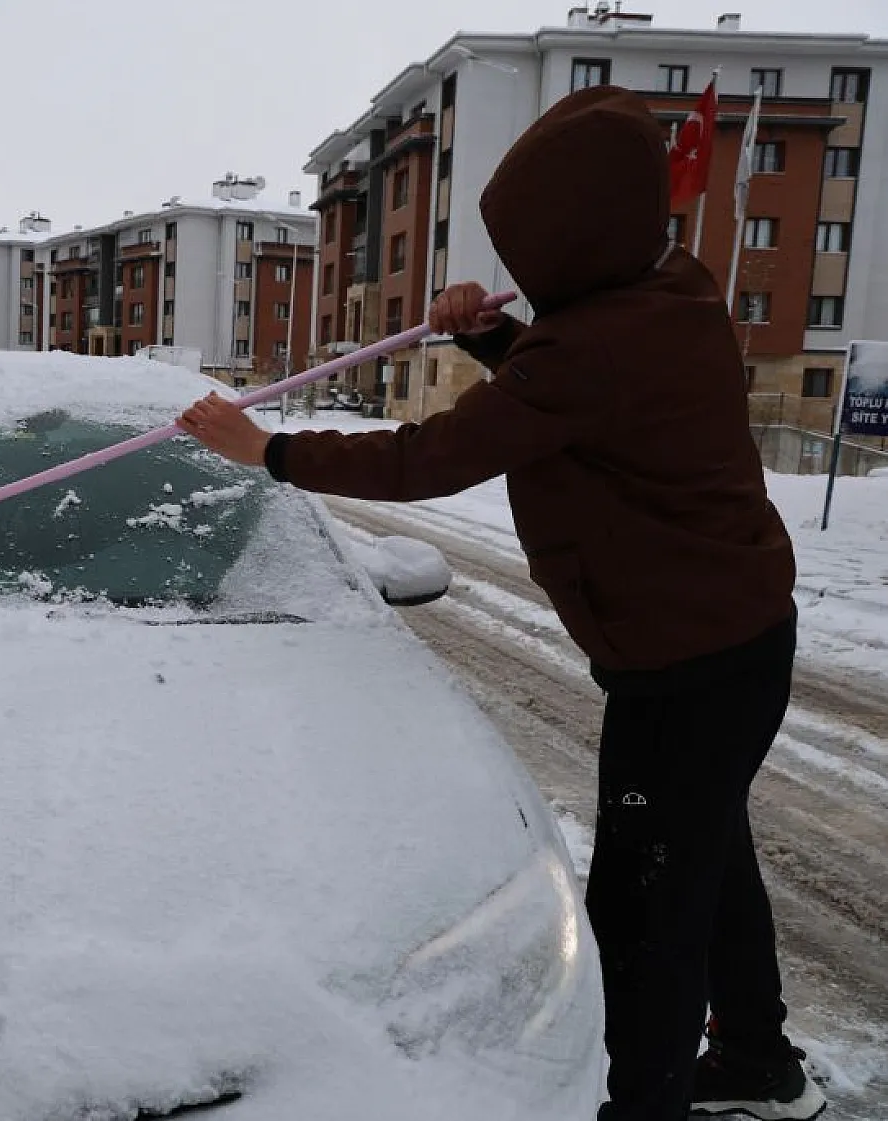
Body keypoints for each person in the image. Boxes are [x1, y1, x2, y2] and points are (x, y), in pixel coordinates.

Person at [177, 84, 826, 1121]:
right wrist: (491, 335)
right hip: (735, 638)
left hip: (687, 670)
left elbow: (433, 456)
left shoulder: (592, 345)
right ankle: (756, 1061)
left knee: (645, 907)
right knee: (706, 859)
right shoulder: (671, 282)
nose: (522, 265)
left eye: (533, 247)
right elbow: (576, 387)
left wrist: (271, 450)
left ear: (579, 240)